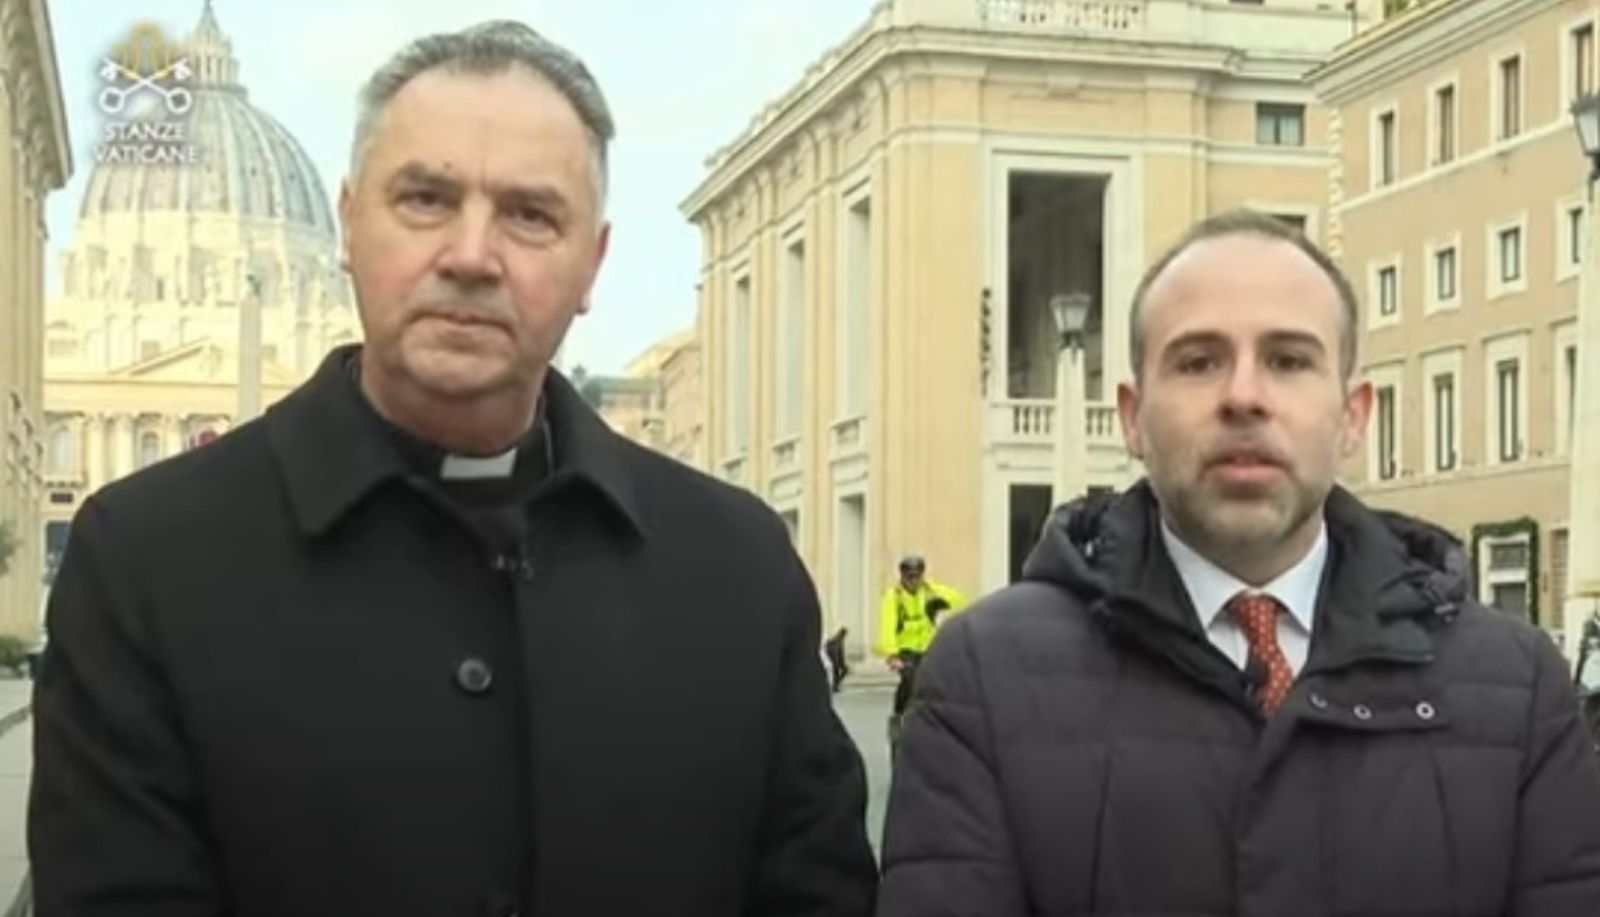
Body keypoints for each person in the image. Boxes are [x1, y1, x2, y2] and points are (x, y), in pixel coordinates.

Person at [30, 21, 876, 917]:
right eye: (426, 199)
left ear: (592, 265)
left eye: (530, 214)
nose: (472, 256)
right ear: (349, 225)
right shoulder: (143, 561)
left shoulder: (737, 564)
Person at [878, 210, 1600, 915]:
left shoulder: (1521, 687)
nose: (1244, 396)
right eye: (1198, 361)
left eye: (1288, 360)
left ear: (1353, 415)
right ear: (1133, 416)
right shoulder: (981, 675)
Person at [876, 555, 966, 742]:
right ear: (902, 577)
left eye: (917, 576)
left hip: (927, 648)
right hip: (905, 650)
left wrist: (932, 588)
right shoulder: (895, 597)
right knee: (910, 680)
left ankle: (928, 721)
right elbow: (887, 624)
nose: (914, 581)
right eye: (909, 577)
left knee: (931, 683)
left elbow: (958, 599)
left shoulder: (927, 592)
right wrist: (892, 654)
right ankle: (898, 715)